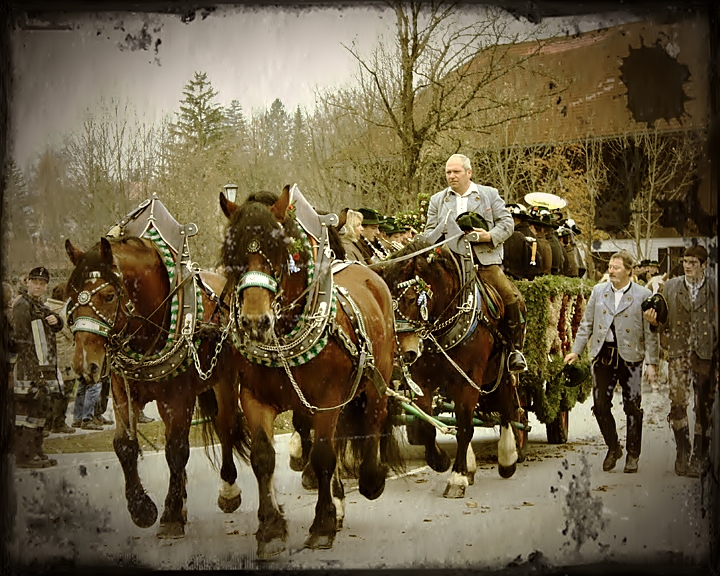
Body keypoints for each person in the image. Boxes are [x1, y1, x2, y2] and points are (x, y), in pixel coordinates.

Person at [425, 153, 527, 373]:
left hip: (484, 263)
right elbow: (428, 232)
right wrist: (441, 236)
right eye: (448, 172)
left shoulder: (489, 195)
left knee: (510, 297)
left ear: (468, 173)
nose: (451, 176)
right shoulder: (437, 200)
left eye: (456, 172)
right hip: (449, 263)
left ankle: (515, 351)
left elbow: (507, 222)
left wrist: (488, 236)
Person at [564, 251, 658, 473]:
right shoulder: (599, 291)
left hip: (631, 357)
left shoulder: (642, 294)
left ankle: (633, 454)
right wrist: (576, 351)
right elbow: (587, 324)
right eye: (610, 266)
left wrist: (652, 363)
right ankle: (614, 447)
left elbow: (651, 332)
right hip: (604, 355)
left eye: (616, 267)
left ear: (629, 270)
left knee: (632, 406)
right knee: (600, 406)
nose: (611, 271)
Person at [644, 245, 717, 477]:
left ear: (704, 265)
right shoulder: (671, 287)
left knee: (704, 406)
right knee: (677, 403)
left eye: (693, 262)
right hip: (678, 353)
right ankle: (683, 451)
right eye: (685, 261)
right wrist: (653, 321)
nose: (687, 266)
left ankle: (700, 455)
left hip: (707, 355)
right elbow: (662, 321)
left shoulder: (714, 288)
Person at [11, 267, 64, 468]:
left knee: (42, 410)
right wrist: (34, 371)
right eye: (35, 282)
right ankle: (24, 454)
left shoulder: (39, 305)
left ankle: (36, 449)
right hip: (30, 369)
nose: (38, 286)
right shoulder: (23, 305)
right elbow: (20, 340)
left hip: (44, 367)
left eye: (42, 284)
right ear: (27, 282)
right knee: (28, 411)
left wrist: (57, 319)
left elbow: (58, 325)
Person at [45, 283, 77, 434]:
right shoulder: (61, 311)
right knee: (65, 388)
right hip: (63, 356)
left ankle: (49, 422)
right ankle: (58, 422)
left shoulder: (46, 306)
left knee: (52, 389)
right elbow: (70, 334)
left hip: (51, 354)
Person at [502, 203, 539, 280]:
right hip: (526, 281)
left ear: (515, 219)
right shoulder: (532, 235)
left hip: (512, 280)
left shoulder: (512, 237)